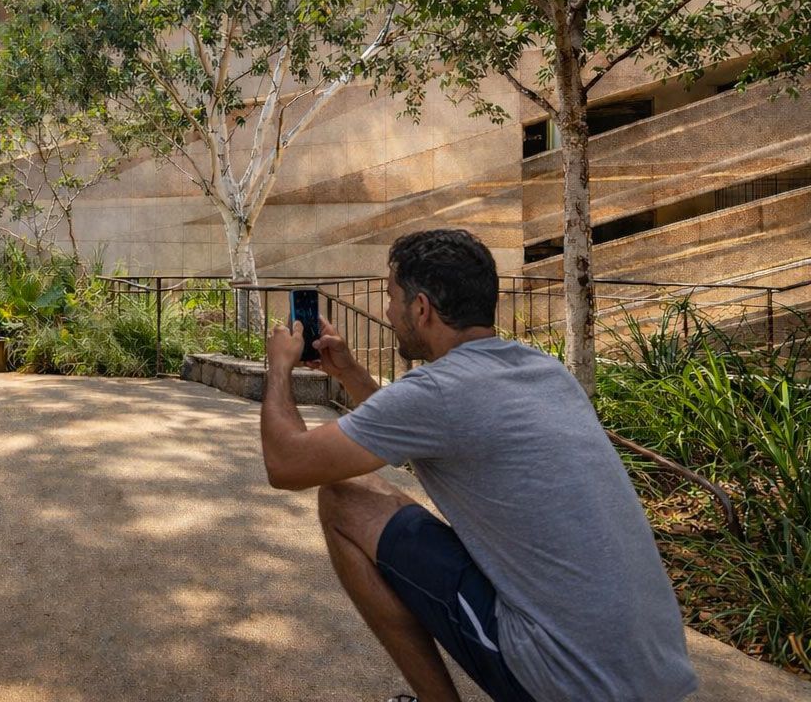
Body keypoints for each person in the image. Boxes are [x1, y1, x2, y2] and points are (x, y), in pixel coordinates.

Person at [260, 229, 696, 702]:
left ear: (421, 308)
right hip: (656, 675)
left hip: (571, 684)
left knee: (344, 497)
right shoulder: (543, 371)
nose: (387, 311)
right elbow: (423, 433)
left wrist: (279, 366)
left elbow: (286, 464)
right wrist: (348, 372)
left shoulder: (440, 392)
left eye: (391, 296)